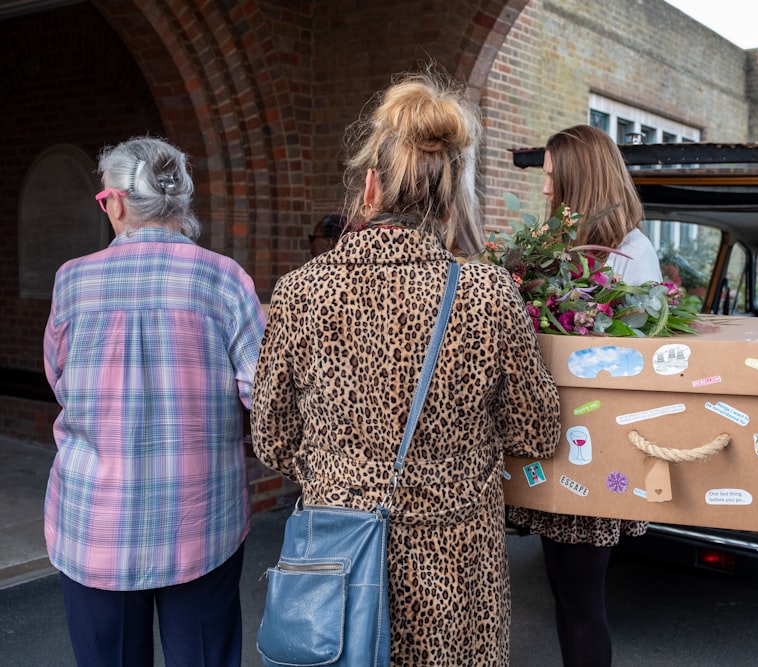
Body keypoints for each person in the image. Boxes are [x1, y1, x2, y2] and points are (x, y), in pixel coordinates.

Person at [251, 68, 561, 666]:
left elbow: (272, 437)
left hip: (338, 560)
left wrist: (344, 471)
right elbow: (537, 430)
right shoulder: (487, 293)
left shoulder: (299, 292)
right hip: (457, 568)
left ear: (369, 187)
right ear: (450, 199)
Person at [43, 136, 266, 667]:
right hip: (201, 521)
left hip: (96, 523)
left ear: (116, 201)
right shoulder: (225, 279)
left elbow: (60, 380)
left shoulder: (74, 281)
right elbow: (264, 394)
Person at [507, 124, 662, 667]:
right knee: (564, 592)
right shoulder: (556, 248)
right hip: (551, 441)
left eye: (552, 177)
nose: (545, 190)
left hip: (593, 450)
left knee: (582, 599)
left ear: (580, 180)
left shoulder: (630, 254)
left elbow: (632, 361)